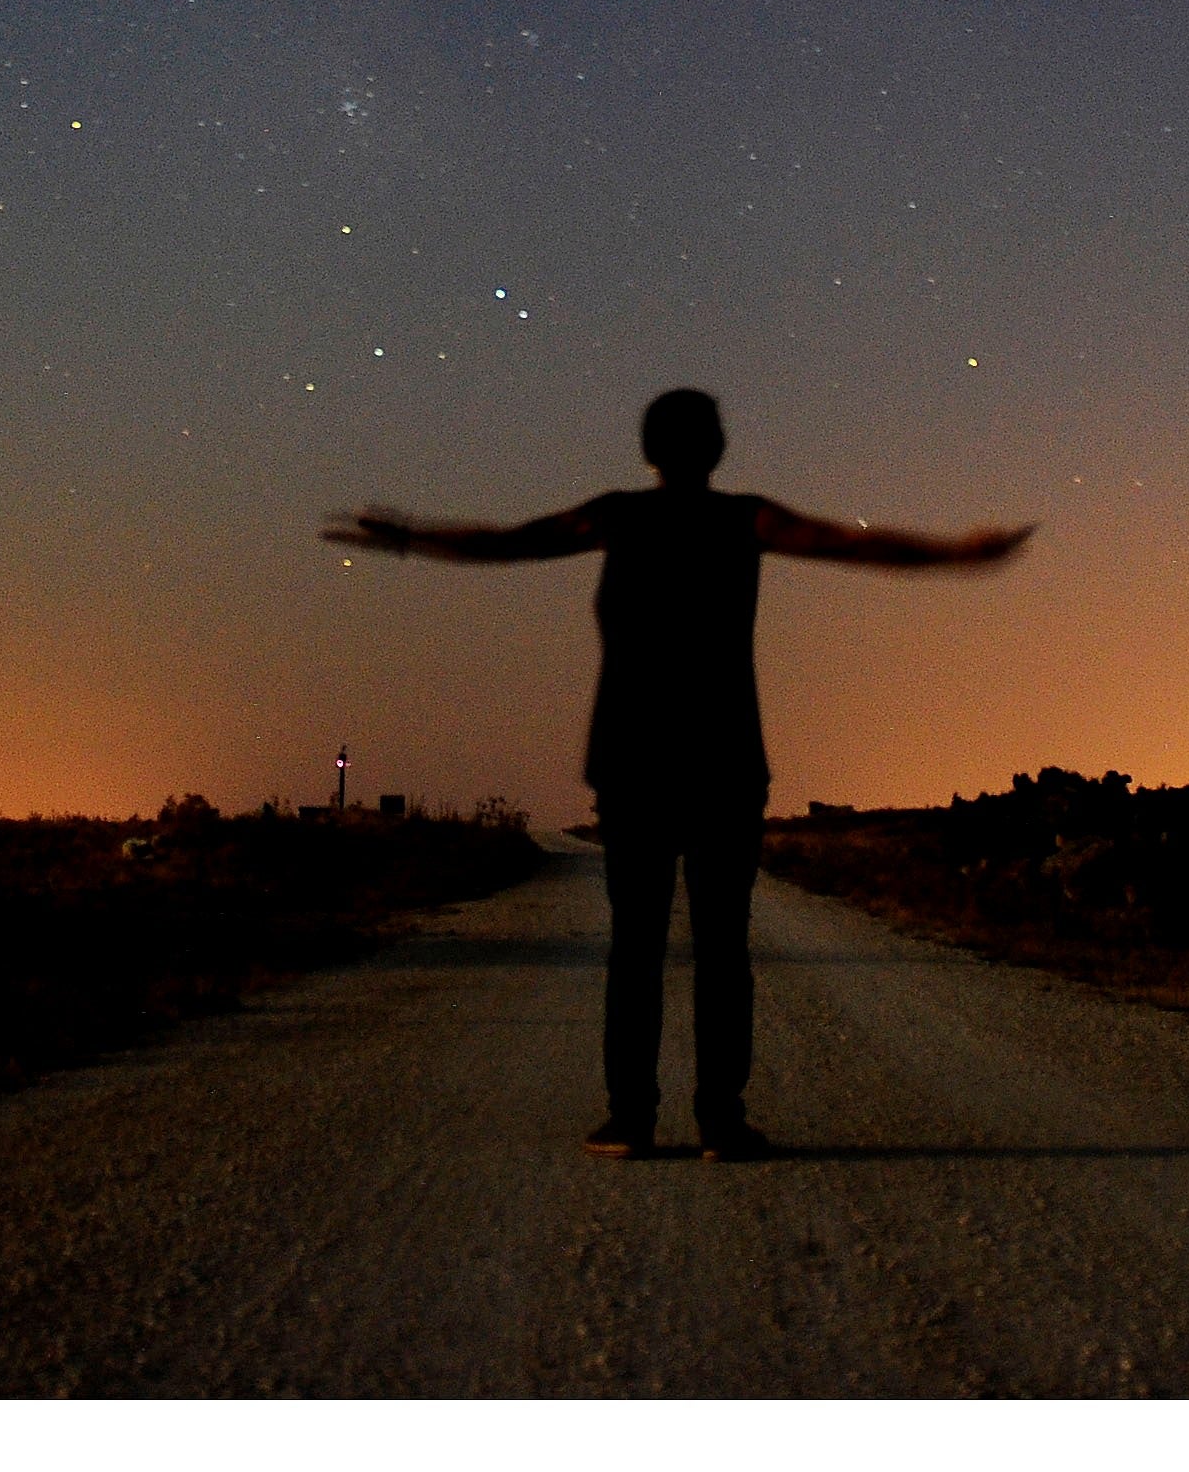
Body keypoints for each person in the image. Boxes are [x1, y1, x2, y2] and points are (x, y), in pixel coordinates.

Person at [326, 387, 1029, 1159]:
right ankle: (720, 1119)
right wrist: (957, 553)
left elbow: (511, 542)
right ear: (718, 449)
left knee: (637, 943)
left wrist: (409, 537)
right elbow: (851, 546)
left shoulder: (618, 516)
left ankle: (632, 1118)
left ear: (649, 451)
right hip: (724, 761)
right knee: (722, 945)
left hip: (633, 763)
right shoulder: (746, 519)